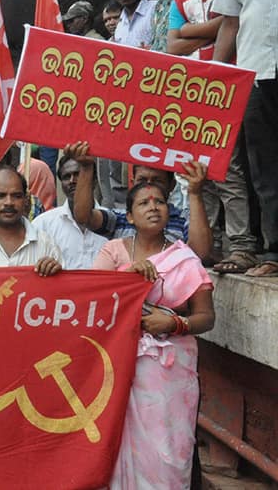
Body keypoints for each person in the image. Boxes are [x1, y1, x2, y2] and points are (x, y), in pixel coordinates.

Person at [92, 181, 215, 488]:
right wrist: (129, 278)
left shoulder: (183, 258)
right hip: (122, 366)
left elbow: (206, 317)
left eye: (159, 202)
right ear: (130, 216)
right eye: (144, 203)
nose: (153, 207)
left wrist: (175, 324)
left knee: (169, 451)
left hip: (172, 375)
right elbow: (95, 303)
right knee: (122, 444)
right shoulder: (114, 251)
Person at [166, 0, 257, 274]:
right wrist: (216, 26)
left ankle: (243, 245)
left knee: (230, 169)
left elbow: (236, 20)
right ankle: (210, 243)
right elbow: (172, 46)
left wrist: (192, 31)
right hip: (196, 95)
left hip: (236, 86)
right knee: (199, 170)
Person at [213, 0, 278, 277]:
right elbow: (229, 23)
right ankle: (274, 252)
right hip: (256, 75)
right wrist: (216, 78)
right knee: (265, 169)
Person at [65, 141, 211, 261]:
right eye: (142, 180)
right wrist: (85, 167)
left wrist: (195, 193)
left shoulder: (183, 218)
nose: (149, 186)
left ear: (172, 184)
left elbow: (199, 253)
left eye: (157, 181)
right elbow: (84, 217)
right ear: (132, 181)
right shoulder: (121, 218)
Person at [31, 155, 108, 270]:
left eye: (78, 174)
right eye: (66, 177)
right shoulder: (43, 225)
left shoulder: (114, 223)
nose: (72, 181)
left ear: (94, 181)